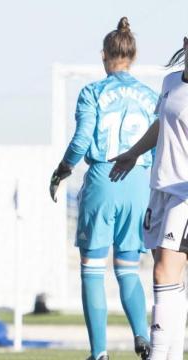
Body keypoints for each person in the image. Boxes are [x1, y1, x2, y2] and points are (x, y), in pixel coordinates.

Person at [49, 17, 157, 360]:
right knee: (128, 268)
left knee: (92, 270)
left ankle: (99, 353)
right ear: (133, 56)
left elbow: (82, 139)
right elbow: (155, 147)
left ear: (104, 55)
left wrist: (63, 169)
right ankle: (142, 336)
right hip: (137, 181)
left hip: (103, 177)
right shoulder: (150, 95)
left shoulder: (93, 92)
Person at [110, 36, 188, 360]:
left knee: (163, 274)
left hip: (185, 193)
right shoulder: (171, 81)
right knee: (169, 277)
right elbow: (161, 124)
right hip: (161, 189)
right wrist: (132, 153)